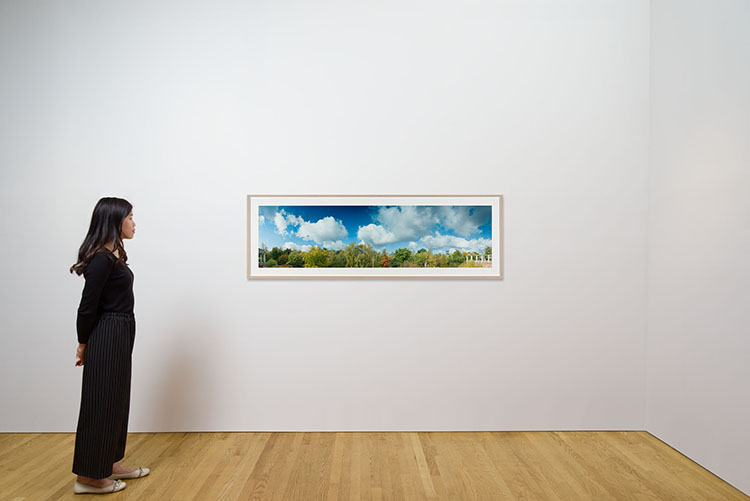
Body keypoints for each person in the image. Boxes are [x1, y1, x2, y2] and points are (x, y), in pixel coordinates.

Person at [69, 197, 149, 494]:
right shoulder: (101, 259)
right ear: (115, 221)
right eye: (130, 217)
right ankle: (89, 477)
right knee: (101, 401)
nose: (134, 222)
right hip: (107, 332)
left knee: (116, 399)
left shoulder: (114, 254)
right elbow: (87, 305)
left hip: (120, 329)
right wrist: (82, 343)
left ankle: (110, 462)